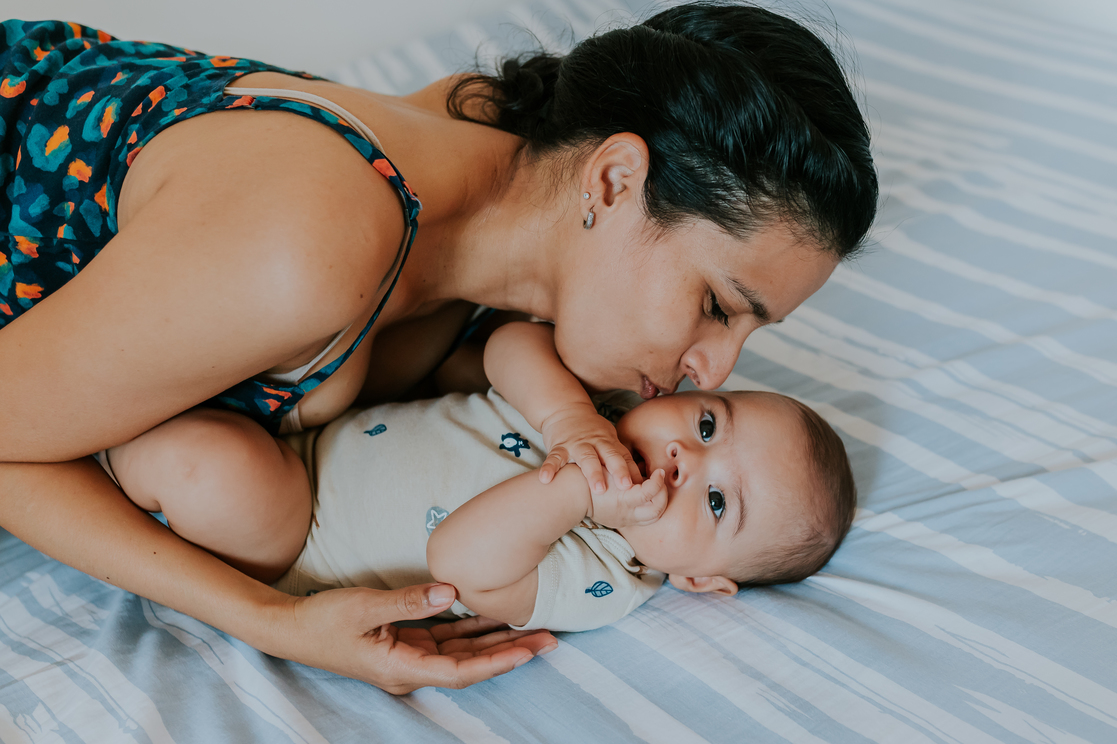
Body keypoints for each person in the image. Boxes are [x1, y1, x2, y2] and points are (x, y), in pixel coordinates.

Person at [0, 5, 878, 693]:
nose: (716, 369)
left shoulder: (502, 153)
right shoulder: (306, 253)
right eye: (718, 305)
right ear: (613, 180)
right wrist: (267, 621)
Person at [97, 320, 857, 632]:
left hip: (299, 534)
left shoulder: (607, 578)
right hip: (314, 427)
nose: (687, 462)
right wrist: (569, 421)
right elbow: (510, 342)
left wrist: (574, 492)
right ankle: (106, 400)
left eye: (717, 501)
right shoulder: (604, 407)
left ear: (699, 580)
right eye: (707, 425)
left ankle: (86, 453)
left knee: (208, 465)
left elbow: (460, 561)